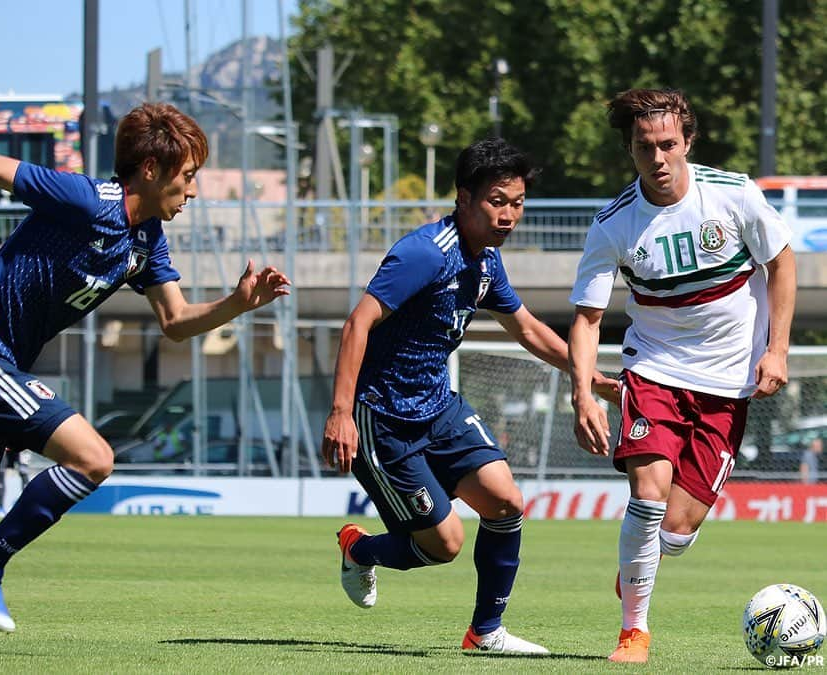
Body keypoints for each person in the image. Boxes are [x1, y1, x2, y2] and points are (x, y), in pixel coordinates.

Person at [0, 102, 290, 632]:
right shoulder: (88, 199)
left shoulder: (145, 240)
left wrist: (237, 304)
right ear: (151, 170)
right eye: (188, 176)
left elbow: (175, 319)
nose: (192, 191)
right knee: (93, 458)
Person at [322, 138, 620, 656]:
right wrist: (342, 413)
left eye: (518, 202)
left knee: (506, 501)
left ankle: (486, 632)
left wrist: (590, 377)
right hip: (383, 419)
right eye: (497, 201)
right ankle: (359, 549)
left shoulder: (485, 262)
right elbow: (358, 323)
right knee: (444, 546)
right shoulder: (423, 253)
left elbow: (527, 329)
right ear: (464, 198)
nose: (509, 215)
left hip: (438, 407)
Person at [567, 88, 796, 663]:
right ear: (630, 151)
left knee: (676, 534)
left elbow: (782, 261)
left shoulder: (734, 194)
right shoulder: (613, 225)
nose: (659, 157)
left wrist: (778, 350)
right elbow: (588, 318)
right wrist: (582, 395)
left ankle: (637, 568)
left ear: (688, 142)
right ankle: (633, 631)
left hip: (730, 380)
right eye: (646, 147)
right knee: (646, 494)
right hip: (655, 369)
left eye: (669, 143)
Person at [0, 449, 31, 518]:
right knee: (1, 474)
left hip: (22, 449)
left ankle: (27, 507)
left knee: (24, 474)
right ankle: (0, 509)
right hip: (5, 449)